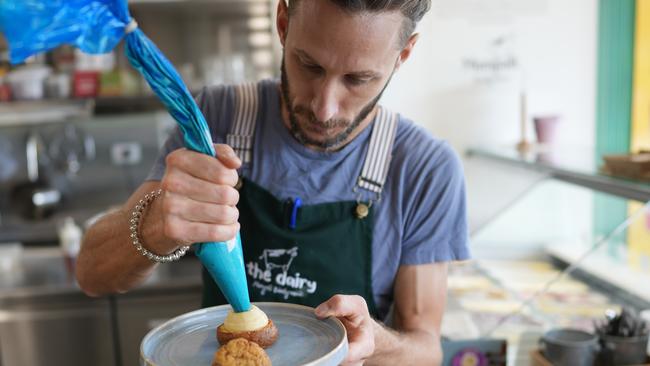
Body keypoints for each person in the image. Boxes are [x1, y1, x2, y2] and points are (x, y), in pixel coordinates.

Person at [76, 0, 470, 364]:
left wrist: (377, 341)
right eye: (309, 65)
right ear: (283, 23)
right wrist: (155, 225)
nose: (324, 107)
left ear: (402, 56)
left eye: (357, 79)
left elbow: (425, 349)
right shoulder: (216, 119)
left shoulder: (425, 169)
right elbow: (93, 275)